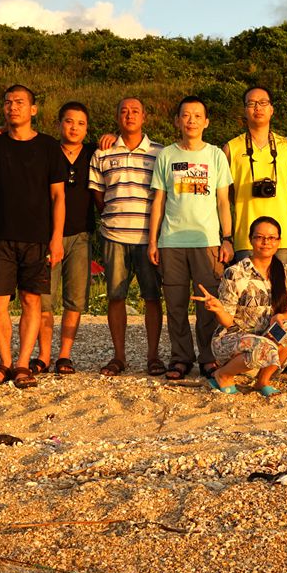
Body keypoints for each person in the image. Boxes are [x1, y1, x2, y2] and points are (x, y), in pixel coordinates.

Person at [0, 85, 66, 389]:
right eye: (8, 102)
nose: (13, 107)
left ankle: (23, 364)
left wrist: (57, 238)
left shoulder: (49, 147)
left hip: (37, 237)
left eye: (20, 102)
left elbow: (58, 197)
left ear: (33, 109)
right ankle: (4, 363)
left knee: (31, 300)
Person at [149, 96, 233, 381]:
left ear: (206, 122)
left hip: (207, 241)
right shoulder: (167, 155)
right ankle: (180, 358)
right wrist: (153, 241)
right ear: (177, 121)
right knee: (175, 305)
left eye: (197, 116)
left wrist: (227, 238)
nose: (191, 121)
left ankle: (209, 357)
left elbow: (223, 201)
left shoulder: (215, 155)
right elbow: (159, 201)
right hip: (171, 241)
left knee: (208, 304)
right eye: (186, 115)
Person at [90, 97, 166, 376]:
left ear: (144, 117)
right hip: (114, 235)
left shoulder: (160, 153)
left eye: (135, 111)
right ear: (117, 116)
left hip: (149, 237)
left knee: (152, 297)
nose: (129, 115)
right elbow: (98, 194)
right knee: (115, 296)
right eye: (124, 111)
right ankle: (119, 356)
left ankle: (153, 356)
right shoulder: (102, 153)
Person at [194, 216, 287, 396]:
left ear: (279, 241)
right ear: (251, 239)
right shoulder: (234, 273)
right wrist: (218, 309)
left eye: (272, 238)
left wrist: (281, 317)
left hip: (265, 335)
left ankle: (262, 381)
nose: (266, 242)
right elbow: (227, 321)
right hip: (232, 338)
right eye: (260, 237)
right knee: (261, 345)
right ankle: (223, 374)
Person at [35, 102, 95, 375]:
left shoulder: (94, 152)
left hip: (81, 234)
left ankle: (64, 355)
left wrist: (110, 137)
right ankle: (43, 355)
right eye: (69, 121)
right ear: (59, 124)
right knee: (44, 299)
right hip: (47, 235)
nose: (74, 128)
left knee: (75, 299)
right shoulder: (46, 150)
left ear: (87, 128)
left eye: (80, 123)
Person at [224, 86, 287, 266]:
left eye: (263, 103)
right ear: (244, 110)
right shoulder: (231, 148)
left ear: (271, 109)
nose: (258, 108)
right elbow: (229, 195)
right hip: (246, 234)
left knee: (283, 284)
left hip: (282, 235)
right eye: (252, 103)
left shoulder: (286, 146)